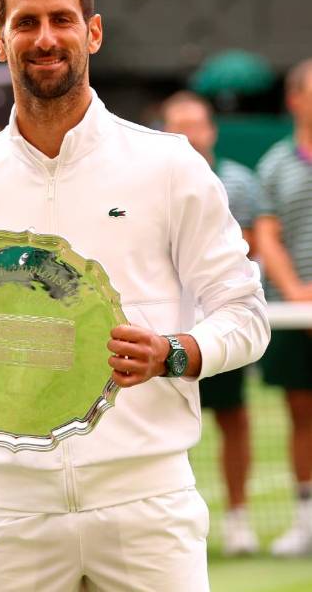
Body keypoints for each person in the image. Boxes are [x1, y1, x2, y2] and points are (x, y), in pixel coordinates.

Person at [0, 0, 269, 590]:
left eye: (62, 19)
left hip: (147, 501)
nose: (45, 38)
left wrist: (173, 353)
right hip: (11, 507)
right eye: (26, 22)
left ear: (92, 33)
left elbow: (246, 315)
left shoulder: (169, 165)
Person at [161, 90, 261, 556]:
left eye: (196, 124)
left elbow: (252, 246)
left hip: (220, 327)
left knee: (233, 419)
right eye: (178, 124)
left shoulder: (238, 181)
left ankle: (238, 518)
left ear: (211, 130)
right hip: (164, 336)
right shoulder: (152, 183)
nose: (189, 134)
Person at [255, 57, 312, 557]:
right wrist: (295, 291)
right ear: (295, 99)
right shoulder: (274, 164)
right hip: (293, 313)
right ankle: (305, 521)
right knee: (301, 413)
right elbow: (267, 235)